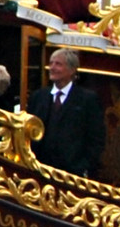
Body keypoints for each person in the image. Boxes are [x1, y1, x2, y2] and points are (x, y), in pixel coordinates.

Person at [28, 48, 106, 177]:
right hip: (39, 171)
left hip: (72, 174)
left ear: (72, 70)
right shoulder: (38, 97)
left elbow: (96, 138)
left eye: (58, 64)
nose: (52, 68)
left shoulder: (87, 100)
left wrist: (84, 167)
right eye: (51, 63)